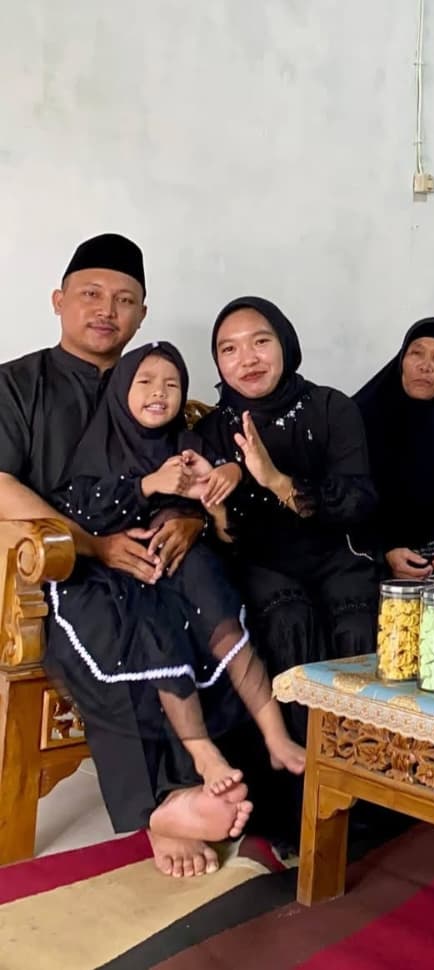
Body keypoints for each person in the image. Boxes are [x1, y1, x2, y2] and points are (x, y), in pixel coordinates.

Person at [0, 233, 246, 878]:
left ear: (142, 315)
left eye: (125, 300)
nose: (107, 310)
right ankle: (163, 804)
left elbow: (192, 473)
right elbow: (0, 486)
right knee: (119, 625)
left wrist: (189, 519)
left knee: (215, 610)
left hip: (154, 563)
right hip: (56, 567)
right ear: (58, 301)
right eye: (91, 294)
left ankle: (208, 782)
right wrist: (90, 545)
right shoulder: (17, 385)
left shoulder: (152, 385)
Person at [50, 342, 306, 795]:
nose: (159, 393)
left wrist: (214, 488)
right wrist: (149, 485)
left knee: (223, 617)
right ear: (121, 391)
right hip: (126, 573)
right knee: (158, 628)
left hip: (190, 565)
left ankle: (275, 734)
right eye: (146, 382)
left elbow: (222, 512)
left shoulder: (188, 444)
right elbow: (82, 513)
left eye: (172, 385)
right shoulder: (97, 447)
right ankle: (201, 750)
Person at [197, 297, 379, 711]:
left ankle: (358, 747)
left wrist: (275, 480)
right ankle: (294, 749)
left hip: (337, 555)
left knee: (354, 622)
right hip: (261, 563)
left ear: (285, 343)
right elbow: (222, 541)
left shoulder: (332, 408)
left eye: (261, 341)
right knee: (288, 619)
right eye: (229, 349)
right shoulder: (212, 431)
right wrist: (213, 503)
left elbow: (358, 502)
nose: (248, 359)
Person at [355, 317, 434, 580]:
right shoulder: (360, 417)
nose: (425, 366)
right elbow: (345, 505)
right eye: (416, 353)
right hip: (367, 555)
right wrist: (384, 551)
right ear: (401, 360)